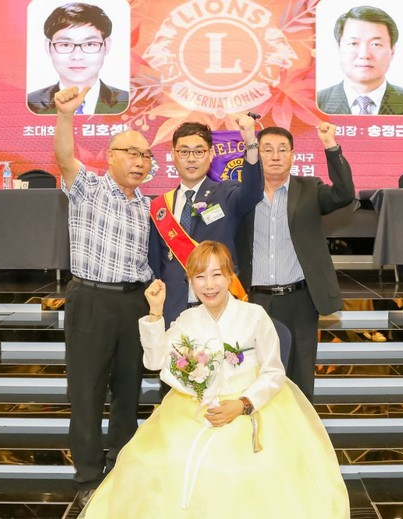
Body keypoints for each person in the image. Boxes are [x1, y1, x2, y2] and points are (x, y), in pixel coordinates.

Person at [81, 241, 350, 518]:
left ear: (230, 276)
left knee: (235, 468)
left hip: (249, 406)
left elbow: (274, 372)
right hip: (193, 408)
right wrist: (156, 312)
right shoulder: (187, 319)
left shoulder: (254, 315)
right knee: (154, 459)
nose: (209, 285)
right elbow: (155, 361)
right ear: (190, 281)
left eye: (217, 274)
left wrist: (243, 404)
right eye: (200, 277)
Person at [54, 84, 152, 505]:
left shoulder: (148, 206)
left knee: (129, 391)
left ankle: (122, 466)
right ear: (110, 156)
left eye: (146, 155)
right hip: (91, 300)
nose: (140, 161)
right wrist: (65, 115)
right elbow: (64, 157)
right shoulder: (88, 188)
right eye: (131, 152)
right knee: (87, 392)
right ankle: (88, 477)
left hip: (134, 303)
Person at [235, 122, 355, 402]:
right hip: (255, 300)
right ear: (256, 154)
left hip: (300, 299)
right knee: (255, 377)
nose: (275, 156)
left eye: (282, 150)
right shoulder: (242, 195)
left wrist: (330, 145)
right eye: (267, 149)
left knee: (300, 379)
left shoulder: (309, 188)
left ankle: (301, 429)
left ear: (292, 155)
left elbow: (344, 193)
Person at [148, 116, 263, 327]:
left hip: (221, 309)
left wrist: (250, 143)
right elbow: (156, 265)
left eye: (199, 152)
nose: (191, 159)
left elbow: (253, 192)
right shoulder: (160, 207)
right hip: (174, 310)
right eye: (184, 152)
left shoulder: (227, 193)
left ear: (210, 154)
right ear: (173, 155)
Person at [28, 3, 128, 115]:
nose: (77, 56)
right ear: (48, 47)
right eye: (65, 44)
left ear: (106, 46)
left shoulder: (131, 103)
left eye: (90, 44)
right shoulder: (30, 104)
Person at [317, 5, 403, 115]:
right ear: (339, 48)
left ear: (392, 50)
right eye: (353, 43)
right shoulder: (315, 104)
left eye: (376, 44)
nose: (364, 55)